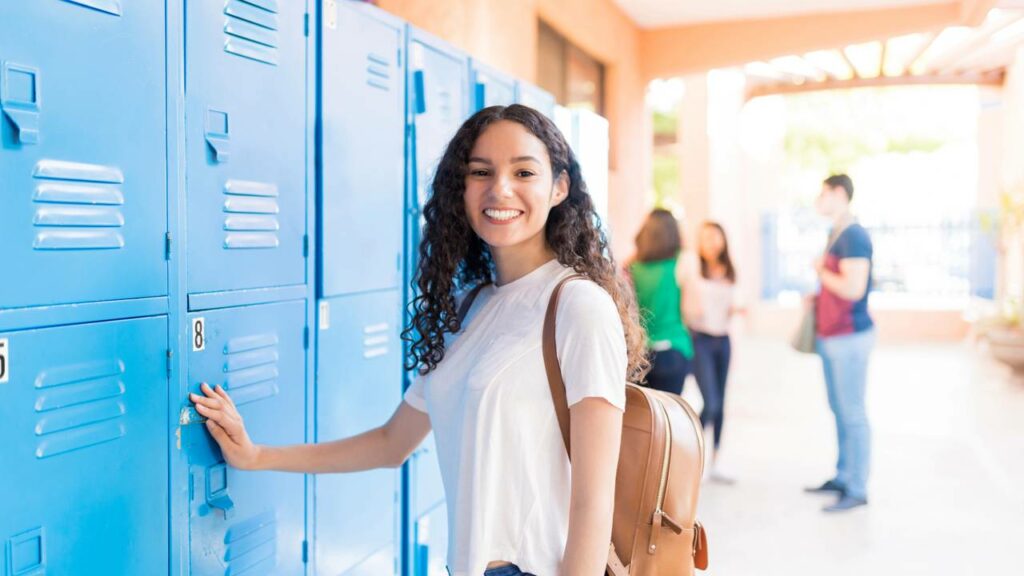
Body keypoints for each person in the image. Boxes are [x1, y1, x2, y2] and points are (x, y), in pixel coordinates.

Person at [191, 104, 649, 575]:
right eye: (481, 171)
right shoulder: (471, 306)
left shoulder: (577, 306)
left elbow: (594, 500)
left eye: (524, 171)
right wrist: (257, 455)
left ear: (559, 187)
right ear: (461, 188)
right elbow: (392, 443)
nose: (500, 189)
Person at [803, 174, 875, 513]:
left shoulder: (854, 236)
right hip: (833, 335)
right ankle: (844, 476)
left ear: (838, 193)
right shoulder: (838, 234)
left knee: (852, 412)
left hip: (849, 336)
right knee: (840, 409)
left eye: (823, 193)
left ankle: (856, 487)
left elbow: (853, 289)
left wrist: (821, 271)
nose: (820, 200)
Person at [688, 221, 740, 484]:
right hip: (701, 340)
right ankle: (687, 448)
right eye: (707, 238)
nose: (712, 243)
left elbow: (732, 304)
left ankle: (716, 461)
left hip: (723, 340)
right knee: (711, 402)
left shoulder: (729, 270)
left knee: (722, 403)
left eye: (716, 238)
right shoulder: (692, 268)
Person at [629, 209, 697, 396]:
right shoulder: (682, 262)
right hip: (673, 350)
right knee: (669, 419)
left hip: (640, 355)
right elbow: (692, 311)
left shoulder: (632, 267)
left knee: (645, 421)